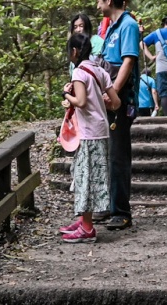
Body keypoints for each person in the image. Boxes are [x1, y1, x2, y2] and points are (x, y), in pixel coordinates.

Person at [96, 0, 140, 230]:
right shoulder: (112, 28)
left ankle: (121, 211)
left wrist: (114, 94)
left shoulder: (129, 25)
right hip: (107, 97)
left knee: (118, 156)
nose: (97, 3)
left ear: (109, 0)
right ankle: (108, 206)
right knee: (107, 155)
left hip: (119, 101)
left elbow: (128, 62)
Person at [60, 32, 111, 243]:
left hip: (89, 133)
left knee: (85, 177)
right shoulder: (100, 71)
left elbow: (80, 102)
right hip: (101, 129)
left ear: (74, 51)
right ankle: (84, 221)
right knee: (90, 175)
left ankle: (88, 228)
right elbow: (114, 102)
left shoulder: (80, 72)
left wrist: (66, 95)